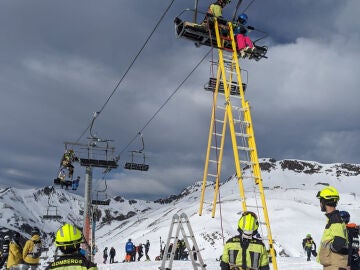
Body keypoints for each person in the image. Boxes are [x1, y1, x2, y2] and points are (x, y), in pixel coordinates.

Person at [316, 186, 348, 269]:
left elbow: (340, 240)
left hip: (335, 265)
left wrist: (328, 250)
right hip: (333, 264)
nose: (320, 204)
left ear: (325, 201)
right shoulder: (334, 218)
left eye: (320, 201)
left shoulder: (335, 219)